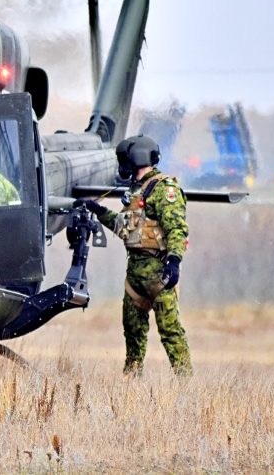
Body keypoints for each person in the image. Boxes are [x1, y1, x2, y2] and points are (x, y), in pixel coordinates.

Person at [76, 135, 192, 376]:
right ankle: (131, 382)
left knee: (171, 333)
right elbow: (125, 228)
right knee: (132, 332)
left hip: (159, 276)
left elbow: (176, 229)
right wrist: (97, 210)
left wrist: (174, 261)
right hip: (135, 277)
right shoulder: (135, 191)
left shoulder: (164, 189)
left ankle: (185, 383)